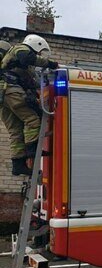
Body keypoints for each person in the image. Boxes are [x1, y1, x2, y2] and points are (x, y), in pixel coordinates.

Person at [1, 34, 58, 176]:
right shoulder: (20, 49)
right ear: (36, 45)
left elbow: (32, 82)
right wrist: (50, 64)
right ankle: (33, 150)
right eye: (39, 53)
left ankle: (18, 164)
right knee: (32, 119)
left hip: (3, 97)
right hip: (10, 90)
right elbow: (27, 57)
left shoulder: (19, 66)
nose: (39, 57)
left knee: (16, 130)